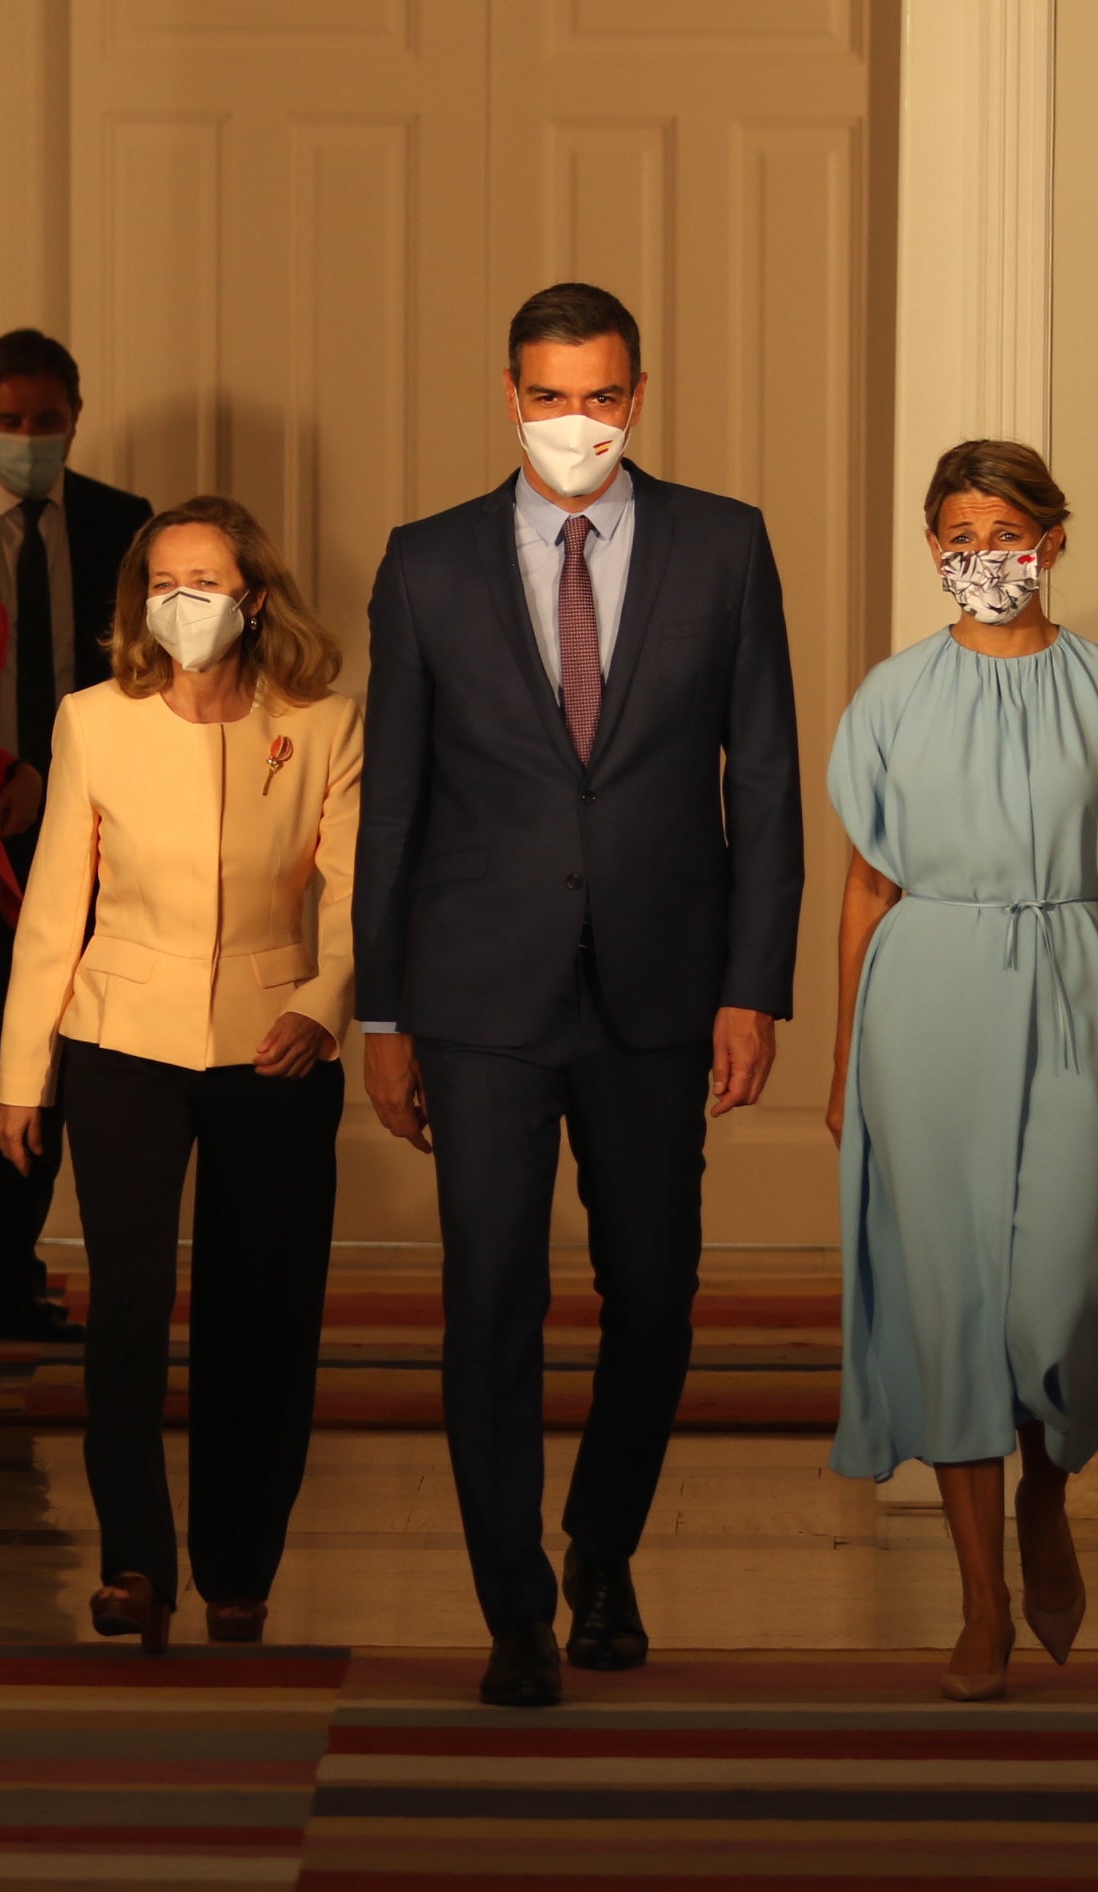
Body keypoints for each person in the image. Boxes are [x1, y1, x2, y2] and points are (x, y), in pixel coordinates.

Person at [352, 283, 804, 1708]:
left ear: (639, 397)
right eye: (550, 397)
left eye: (600, 397)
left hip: (665, 988)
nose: (575, 424)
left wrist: (756, 985)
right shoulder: (425, 564)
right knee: (487, 1298)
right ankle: (515, 1612)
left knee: (656, 1299)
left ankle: (602, 1547)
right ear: (510, 398)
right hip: (479, 995)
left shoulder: (723, 546)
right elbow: (396, 807)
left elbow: (771, 782)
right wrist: (381, 1012)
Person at [822, 439, 1098, 1701]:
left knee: (1060, 1286)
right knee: (950, 1303)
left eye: (1001, 531)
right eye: (954, 533)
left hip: (1074, 982)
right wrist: (844, 1054)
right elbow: (866, 885)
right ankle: (982, 1598)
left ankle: (1048, 1490)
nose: (977, 556)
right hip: (926, 997)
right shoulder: (892, 696)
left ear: (1050, 541)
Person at [0, 498, 359, 1650]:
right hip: (121, 1042)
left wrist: (323, 1003)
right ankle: (135, 1563)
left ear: (255, 595)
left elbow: (357, 893)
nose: (181, 600)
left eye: (205, 579)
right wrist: (20, 1072)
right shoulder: (94, 719)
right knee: (130, 1312)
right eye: (163, 581)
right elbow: (54, 906)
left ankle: (240, 1565)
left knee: (264, 1315)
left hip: (275, 1042)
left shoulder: (325, 723)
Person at [0, 329, 154, 1344]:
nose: (30, 440)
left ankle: (11, 1267)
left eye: (47, 422)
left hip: (86, 813)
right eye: (11, 422)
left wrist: (52, 774)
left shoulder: (122, 523)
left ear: (75, 417)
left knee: (50, 1038)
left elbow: (134, 666)